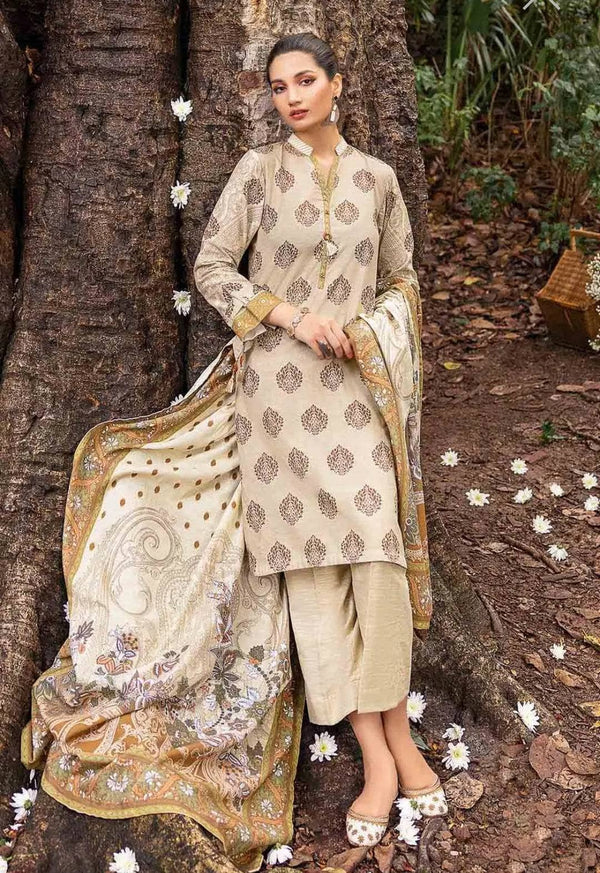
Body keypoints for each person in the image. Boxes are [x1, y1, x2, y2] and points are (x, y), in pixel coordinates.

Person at [193, 31, 448, 847]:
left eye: (306, 80)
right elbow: (212, 267)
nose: (293, 97)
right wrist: (291, 315)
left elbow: (403, 279)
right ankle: (381, 755)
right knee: (313, 570)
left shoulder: (379, 180)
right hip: (278, 396)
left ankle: (399, 737)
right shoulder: (257, 173)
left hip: (358, 390)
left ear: (337, 84)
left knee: (377, 555)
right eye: (279, 87)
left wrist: (369, 328)